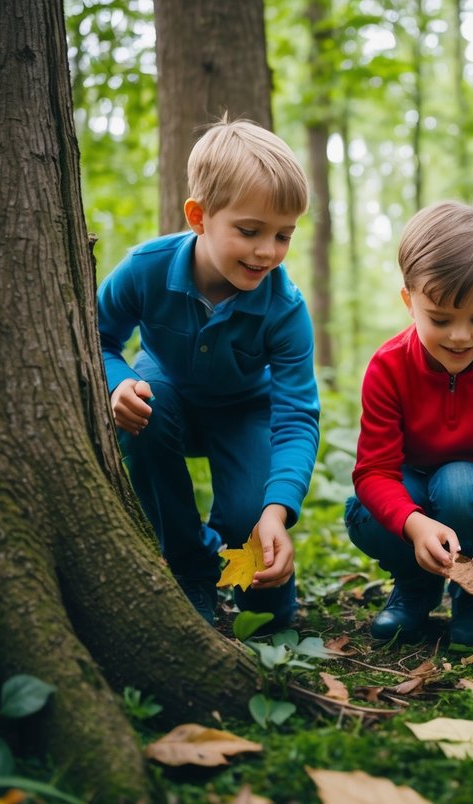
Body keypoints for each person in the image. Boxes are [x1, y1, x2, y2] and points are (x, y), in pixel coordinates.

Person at [98, 118, 320, 628]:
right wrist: (116, 382)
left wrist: (277, 510)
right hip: (167, 394)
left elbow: (296, 417)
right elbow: (97, 335)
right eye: (249, 231)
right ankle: (191, 567)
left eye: (284, 235)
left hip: (244, 410)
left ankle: (256, 580)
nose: (267, 250)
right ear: (199, 217)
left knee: (253, 526)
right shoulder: (144, 269)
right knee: (145, 409)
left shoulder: (284, 308)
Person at [346, 201, 473, 649]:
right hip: (408, 494)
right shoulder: (387, 367)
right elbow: (373, 471)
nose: (460, 336)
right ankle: (415, 589)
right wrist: (414, 525)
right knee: (372, 512)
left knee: (458, 482)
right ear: (408, 300)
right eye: (440, 319)